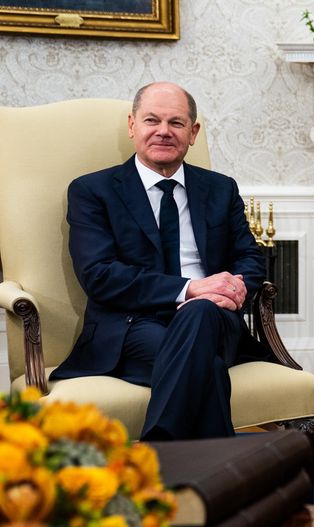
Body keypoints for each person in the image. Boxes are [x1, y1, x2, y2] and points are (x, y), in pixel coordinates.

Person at [50, 82, 268, 440]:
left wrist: (232, 287)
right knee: (207, 368)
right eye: (152, 120)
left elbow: (250, 258)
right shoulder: (92, 191)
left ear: (193, 132)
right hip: (132, 325)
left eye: (176, 123)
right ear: (132, 125)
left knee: (199, 313)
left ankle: (161, 453)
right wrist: (190, 288)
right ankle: (196, 463)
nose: (163, 131)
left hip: (213, 318)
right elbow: (99, 275)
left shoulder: (220, 188)